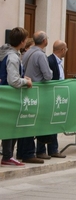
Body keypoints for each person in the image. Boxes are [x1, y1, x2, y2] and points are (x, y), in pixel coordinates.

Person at [0, 27, 32, 166]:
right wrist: (26, 81)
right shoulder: (13, 57)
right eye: (25, 40)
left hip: (4, 94)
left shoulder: (4, 52)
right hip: (9, 96)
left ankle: (7, 155)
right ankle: (7, 156)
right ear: (22, 41)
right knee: (11, 126)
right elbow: (13, 80)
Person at [20, 31, 53, 164]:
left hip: (27, 90)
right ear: (44, 41)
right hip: (37, 91)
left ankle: (22, 151)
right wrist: (50, 71)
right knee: (32, 123)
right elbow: (48, 75)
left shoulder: (27, 52)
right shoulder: (40, 54)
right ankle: (29, 153)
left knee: (26, 122)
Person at [36, 40, 69, 159]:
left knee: (55, 122)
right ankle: (41, 149)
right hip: (49, 96)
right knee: (45, 123)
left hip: (58, 96)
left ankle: (53, 149)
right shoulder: (49, 60)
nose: (67, 51)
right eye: (66, 48)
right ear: (62, 50)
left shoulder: (59, 62)